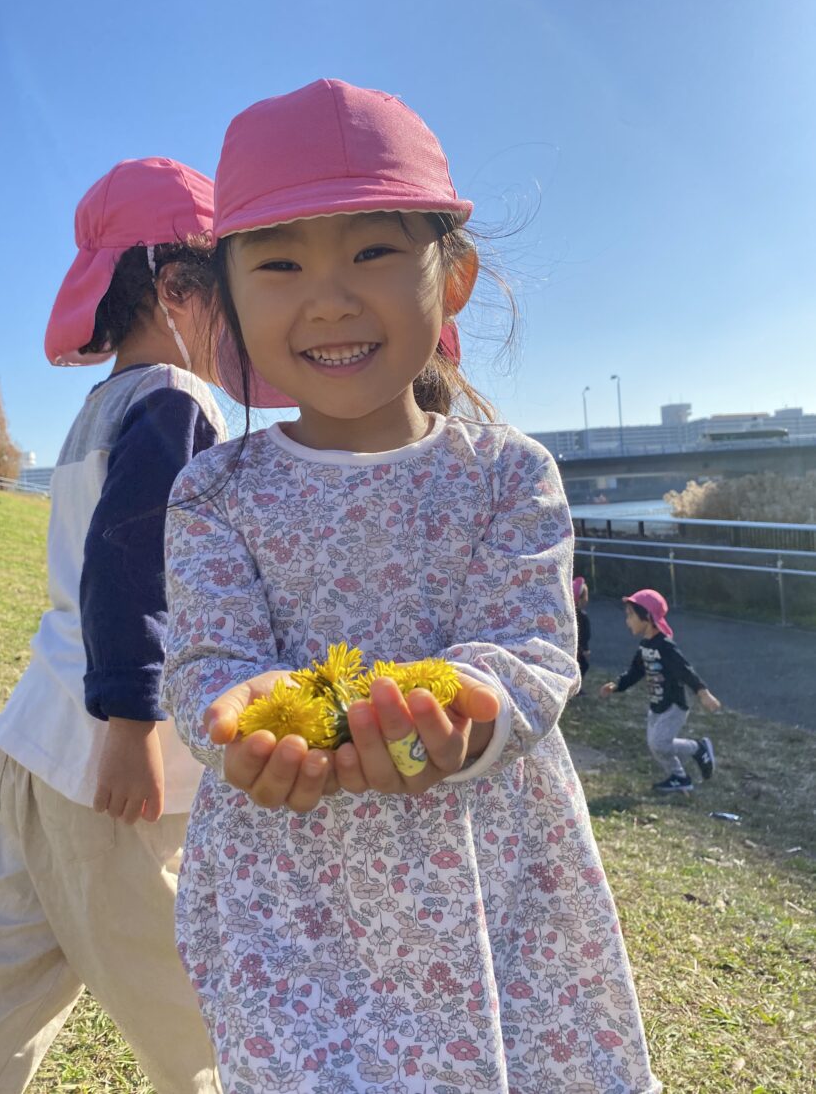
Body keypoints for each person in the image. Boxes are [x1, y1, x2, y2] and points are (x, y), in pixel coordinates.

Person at [161, 79, 660, 1094]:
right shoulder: (214, 488)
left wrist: (471, 709)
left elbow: (529, 644)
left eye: (374, 252)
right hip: (290, 884)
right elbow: (209, 658)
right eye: (280, 261)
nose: (330, 296)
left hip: (486, 862)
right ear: (229, 298)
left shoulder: (507, 471)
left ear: (456, 275)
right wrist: (232, 716)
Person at [0, 158, 251, 1093]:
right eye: (232, 292)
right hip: (110, 769)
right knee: (191, 1013)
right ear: (176, 287)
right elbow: (135, 566)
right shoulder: (176, 398)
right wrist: (132, 724)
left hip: (32, 744)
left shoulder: (101, 406)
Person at [599, 588, 721, 793]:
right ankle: (679, 777)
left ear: (646, 616)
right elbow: (635, 670)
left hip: (673, 705)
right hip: (657, 704)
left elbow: (685, 670)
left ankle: (698, 748)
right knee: (656, 745)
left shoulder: (665, 646)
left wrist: (702, 692)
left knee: (660, 744)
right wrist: (617, 685)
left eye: (630, 615)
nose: (627, 621)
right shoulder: (645, 645)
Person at [573, 574, 591, 682]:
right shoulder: (583, 617)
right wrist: (585, 649)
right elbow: (585, 635)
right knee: (583, 666)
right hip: (580, 649)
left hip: (574, 648)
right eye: (586, 596)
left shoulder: (569, 615)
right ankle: (577, 687)